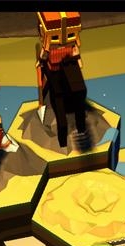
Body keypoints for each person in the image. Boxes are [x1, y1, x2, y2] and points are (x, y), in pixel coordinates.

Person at [36, 11, 87, 149]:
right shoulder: (48, 48)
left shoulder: (72, 47)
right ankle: (63, 141)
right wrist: (42, 60)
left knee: (79, 95)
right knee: (59, 105)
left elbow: (78, 60)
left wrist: (76, 58)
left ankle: (81, 128)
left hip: (69, 68)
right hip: (54, 74)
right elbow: (43, 59)